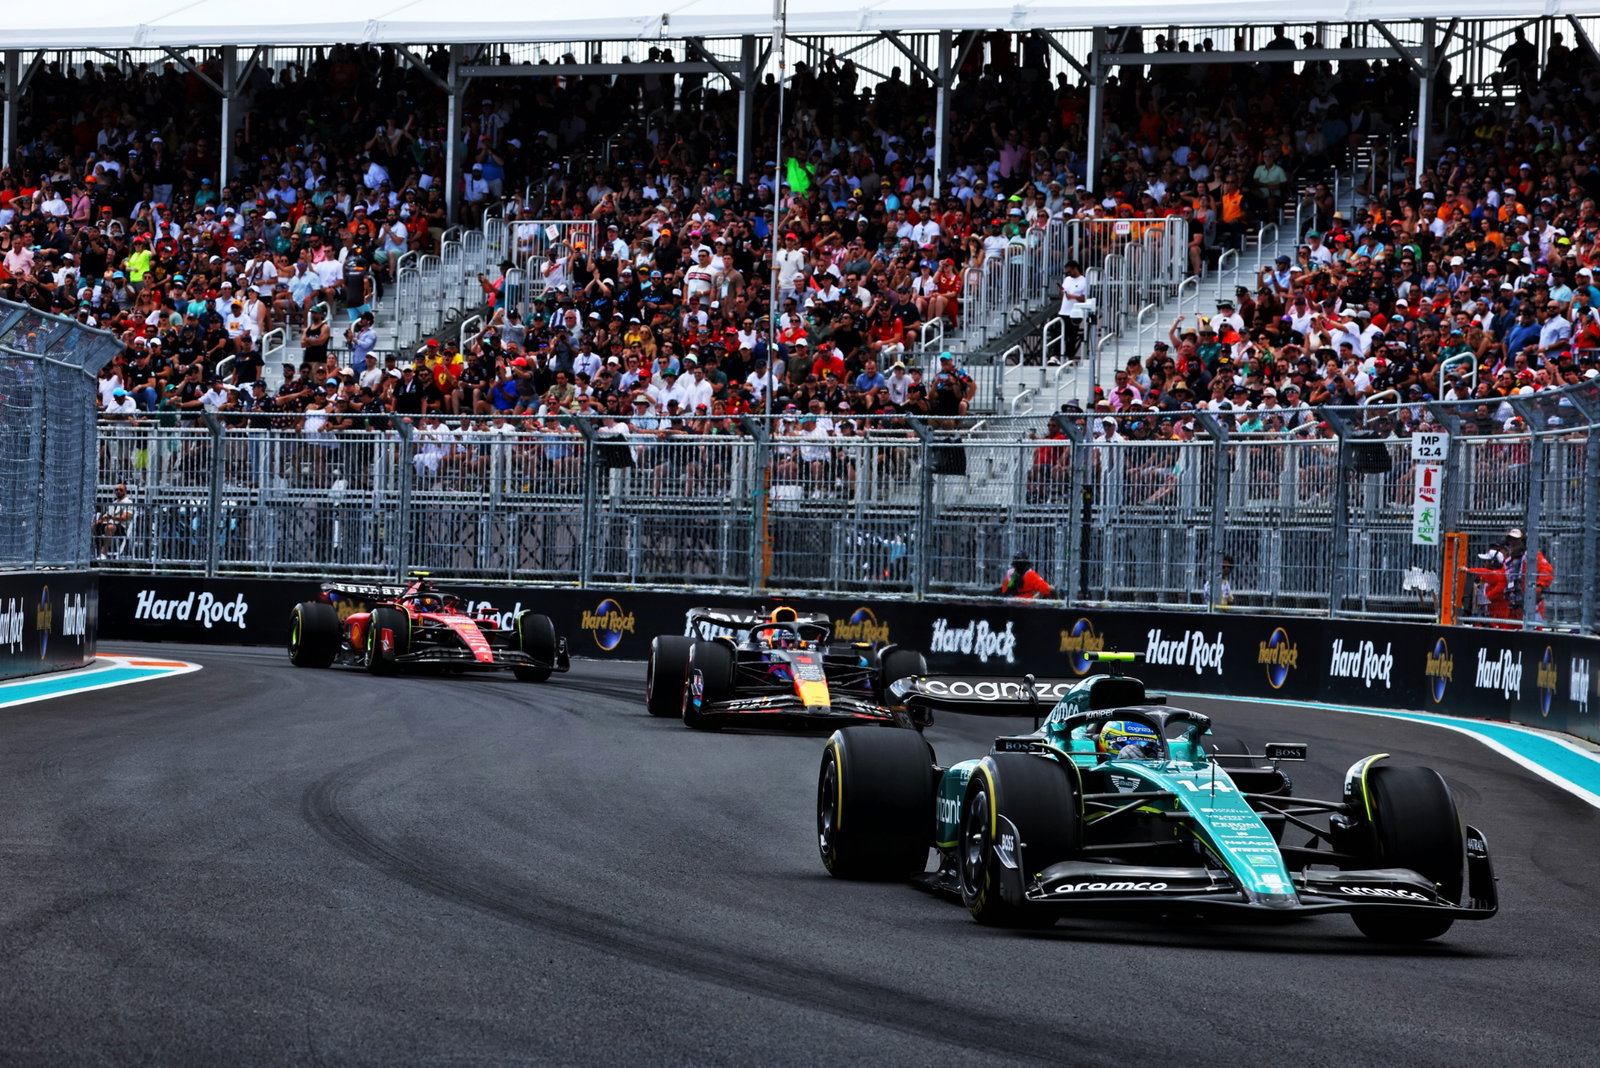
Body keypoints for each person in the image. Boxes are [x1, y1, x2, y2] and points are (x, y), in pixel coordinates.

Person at [1502, 528, 1553, 623]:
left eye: (1516, 540)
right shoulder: (1507, 562)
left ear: (1523, 541)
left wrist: (1539, 587)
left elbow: (1547, 571)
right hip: (1513, 607)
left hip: (1532, 608)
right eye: (1510, 540)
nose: (1512, 543)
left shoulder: (1531, 556)